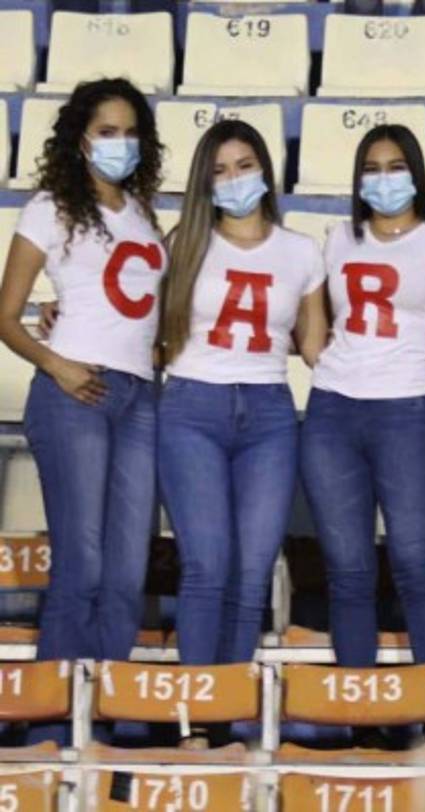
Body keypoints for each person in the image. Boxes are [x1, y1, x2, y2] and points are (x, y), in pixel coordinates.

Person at [157, 120, 327, 729]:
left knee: (252, 570)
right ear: (205, 181)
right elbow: (145, 328)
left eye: (244, 165)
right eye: (220, 170)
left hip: (269, 414)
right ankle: (196, 722)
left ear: (265, 171)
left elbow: (316, 345)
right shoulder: (184, 243)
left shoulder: (303, 251)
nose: (234, 180)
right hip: (192, 407)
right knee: (207, 564)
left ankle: (229, 715)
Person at [299, 124, 425, 668]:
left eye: (396, 167)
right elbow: (314, 326)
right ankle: (360, 712)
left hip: (406, 408)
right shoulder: (337, 239)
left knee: (416, 562)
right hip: (333, 407)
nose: (384, 180)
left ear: (417, 174)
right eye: (372, 169)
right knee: (348, 570)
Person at [0, 78, 164, 670]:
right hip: (75, 393)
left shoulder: (144, 214)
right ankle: (53, 718)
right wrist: (58, 365)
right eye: (107, 132)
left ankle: (105, 714)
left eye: (130, 133)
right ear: (80, 140)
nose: (121, 144)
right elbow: (5, 314)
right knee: (84, 564)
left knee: (126, 570)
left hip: (140, 396)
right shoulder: (49, 208)